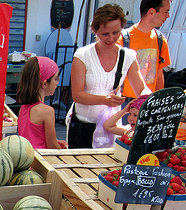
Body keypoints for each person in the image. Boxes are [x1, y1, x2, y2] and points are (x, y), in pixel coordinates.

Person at [68, 3, 150, 149]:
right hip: (83, 126)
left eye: (116, 32)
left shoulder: (128, 56)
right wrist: (104, 100)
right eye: (105, 34)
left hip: (110, 128)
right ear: (95, 30)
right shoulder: (83, 55)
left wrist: (151, 101)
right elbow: (77, 95)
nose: (111, 38)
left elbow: (141, 90)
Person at [117, 0, 171, 100]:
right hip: (125, 104)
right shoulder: (123, 39)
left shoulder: (161, 40)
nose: (168, 16)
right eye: (166, 12)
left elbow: (159, 76)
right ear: (151, 12)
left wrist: (158, 102)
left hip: (148, 104)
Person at [16, 56, 67, 149]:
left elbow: (33, 138)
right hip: (42, 160)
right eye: (56, 79)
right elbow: (52, 146)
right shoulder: (47, 111)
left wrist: (56, 142)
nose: (57, 83)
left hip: (27, 159)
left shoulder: (23, 108)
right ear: (44, 84)